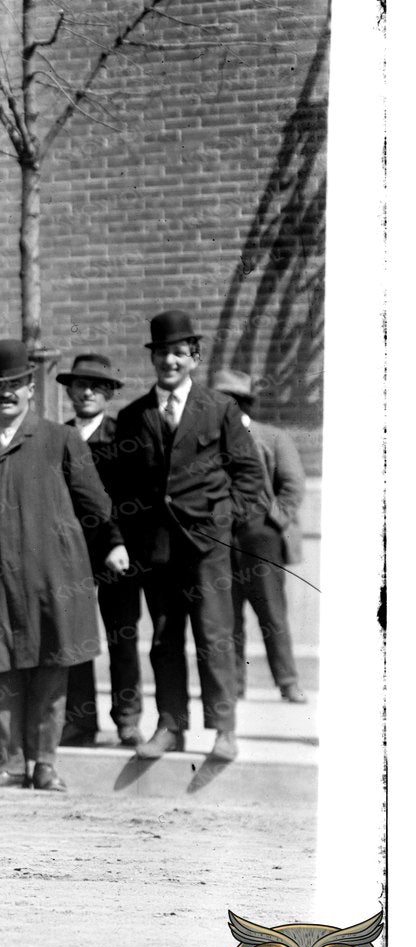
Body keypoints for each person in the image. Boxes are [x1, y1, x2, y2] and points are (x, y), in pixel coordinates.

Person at [0, 341, 129, 791]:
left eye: (15, 384)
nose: (6, 393)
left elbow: (97, 506)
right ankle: (9, 765)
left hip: (53, 579)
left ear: (30, 388)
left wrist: (99, 547)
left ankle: (45, 763)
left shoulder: (60, 440)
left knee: (51, 668)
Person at [115, 310, 265, 762]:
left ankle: (224, 730)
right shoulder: (133, 416)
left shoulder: (219, 409)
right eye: (162, 353)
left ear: (194, 358)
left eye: (179, 353)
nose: (170, 361)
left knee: (214, 636)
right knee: (164, 639)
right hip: (156, 548)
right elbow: (122, 487)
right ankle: (170, 725)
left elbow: (249, 475)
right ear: (152, 358)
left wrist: (224, 521)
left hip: (207, 546)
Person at [56, 352, 147, 746]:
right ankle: (80, 721)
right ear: (70, 391)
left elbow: (131, 498)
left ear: (109, 393)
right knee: (75, 636)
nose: (88, 392)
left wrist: (119, 541)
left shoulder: (122, 436)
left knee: (122, 635)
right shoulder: (58, 437)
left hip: (116, 551)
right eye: (81, 385)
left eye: (97, 386)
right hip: (71, 551)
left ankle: (127, 718)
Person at [211, 368, 308, 704]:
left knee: (271, 612)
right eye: (218, 401)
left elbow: (293, 485)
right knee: (227, 614)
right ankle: (234, 684)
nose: (225, 407)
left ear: (244, 403)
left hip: (261, 536)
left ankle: (288, 682)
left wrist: (272, 521)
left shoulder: (272, 436)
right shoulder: (207, 441)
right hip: (222, 536)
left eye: (232, 400)